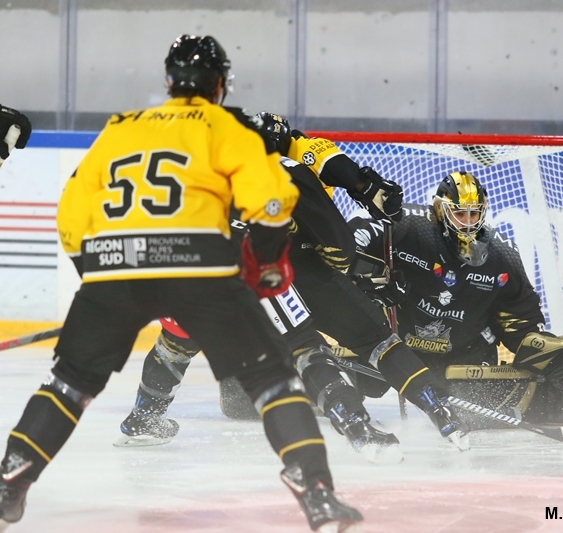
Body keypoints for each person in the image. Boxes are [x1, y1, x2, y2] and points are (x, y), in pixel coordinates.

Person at [0, 35, 362, 532]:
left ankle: (12, 477)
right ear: (220, 84)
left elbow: (72, 209)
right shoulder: (227, 124)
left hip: (115, 266)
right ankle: (317, 493)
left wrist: (100, 276)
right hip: (201, 269)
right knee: (272, 381)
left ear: (169, 81)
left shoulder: (122, 126)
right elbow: (273, 201)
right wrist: (265, 264)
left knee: (68, 384)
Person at [117, 112, 469, 461]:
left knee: (176, 343)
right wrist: (355, 260)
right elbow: (338, 240)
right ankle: (419, 410)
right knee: (334, 344)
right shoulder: (288, 164)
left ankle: (143, 419)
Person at [348, 171, 563, 429]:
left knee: (474, 416)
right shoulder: (406, 227)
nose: (468, 223)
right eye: (459, 214)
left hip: (463, 356)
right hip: (397, 345)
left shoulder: (502, 258)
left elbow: (518, 318)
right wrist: (367, 272)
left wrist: (536, 345)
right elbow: (351, 240)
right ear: (439, 210)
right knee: (358, 372)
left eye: (474, 214)